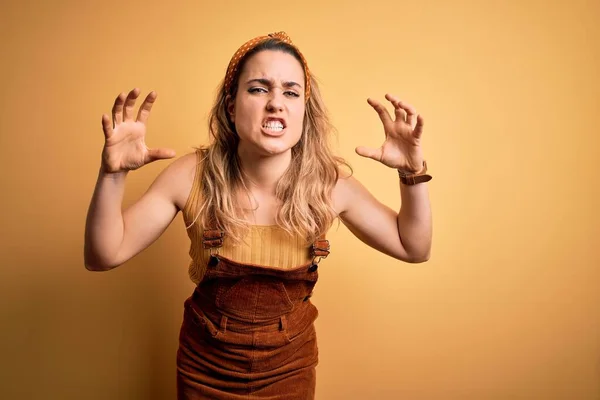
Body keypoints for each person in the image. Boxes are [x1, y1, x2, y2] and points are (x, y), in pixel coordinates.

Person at [84, 31, 432, 400]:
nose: (275, 103)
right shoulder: (190, 176)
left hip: (289, 369)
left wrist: (411, 172)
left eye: (290, 92)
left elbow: (414, 247)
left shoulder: (329, 185)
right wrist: (113, 174)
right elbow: (104, 255)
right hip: (205, 368)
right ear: (231, 107)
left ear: (303, 112)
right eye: (258, 89)